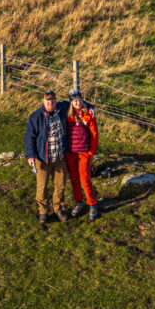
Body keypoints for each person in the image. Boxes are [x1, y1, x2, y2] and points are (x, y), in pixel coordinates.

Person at [24, 89, 70, 223]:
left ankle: (58, 209)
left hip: (60, 157)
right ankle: (43, 212)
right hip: (42, 159)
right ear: (43, 101)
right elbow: (29, 137)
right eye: (48, 101)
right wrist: (31, 155)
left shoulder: (61, 109)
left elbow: (76, 102)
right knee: (42, 187)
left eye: (53, 100)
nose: (51, 103)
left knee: (60, 186)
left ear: (56, 101)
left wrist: (90, 107)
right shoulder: (35, 117)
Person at [65, 89, 100, 220]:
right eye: (74, 101)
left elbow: (94, 136)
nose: (77, 102)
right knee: (74, 179)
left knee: (85, 179)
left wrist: (91, 153)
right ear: (71, 102)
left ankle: (92, 204)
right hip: (71, 153)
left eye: (79, 99)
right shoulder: (67, 115)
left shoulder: (89, 115)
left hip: (84, 153)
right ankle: (79, 202)